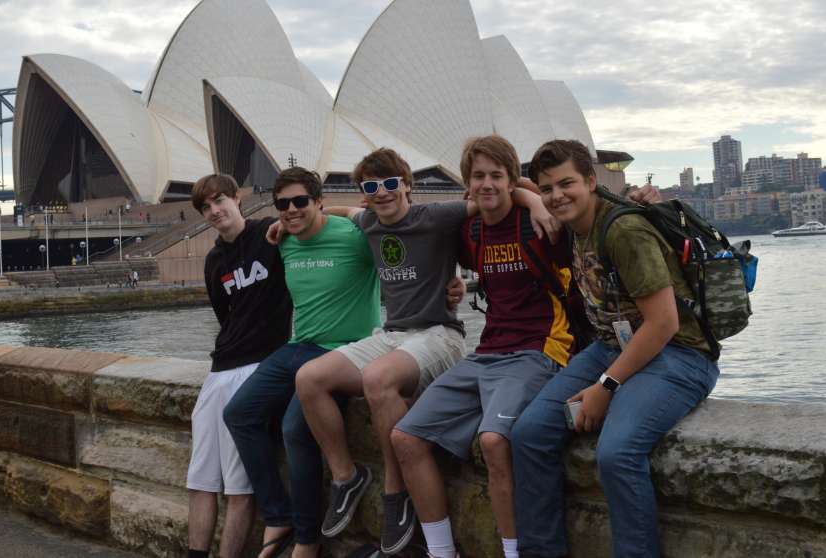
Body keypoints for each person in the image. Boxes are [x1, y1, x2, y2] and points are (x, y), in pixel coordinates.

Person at [291, 148, 556, 554]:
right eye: (372, 187)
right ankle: (347, 478)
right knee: (308, 378)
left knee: (378, 379)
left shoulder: (437, 216)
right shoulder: (369, 221)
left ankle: (395, 495)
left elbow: (492, 195)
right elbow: (346, 213)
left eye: (391, 184)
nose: (382, 193)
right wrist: (287, 223)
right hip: (393, 334)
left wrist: (534, 197)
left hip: (439, 334)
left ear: (408, 186)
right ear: (364, 193)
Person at [511, 140, 719, 558]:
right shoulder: (574, 222)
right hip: (613, 347)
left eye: (567, 183)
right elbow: (503, 182)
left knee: (617, 452)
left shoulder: (624, 230)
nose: (556, 196)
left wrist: (606, 386)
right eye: (547, 188)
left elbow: (664, 323)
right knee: (528, 434)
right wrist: (526, 195)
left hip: (678, 355)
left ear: (590, 181)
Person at [391, 136, 575, 558]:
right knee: (405, 437)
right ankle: (442, 552)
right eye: (479, 176)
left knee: (494, 441)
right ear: (467, 184)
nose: (488, 184)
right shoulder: (470, 231)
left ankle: (513, 553)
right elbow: (415, 228)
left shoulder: (538, 222)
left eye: (497, 175)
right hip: (487, 352)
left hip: (539, 350)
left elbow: (577, 213)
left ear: (512, 180)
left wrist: (533, 200)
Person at [223, 167, 382, 558]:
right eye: (283, 204)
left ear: (318, 201)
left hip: (343, 351)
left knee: (296, 427)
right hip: (298, 347)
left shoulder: (353, 237)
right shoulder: (283, 241)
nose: (291, 210)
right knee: (238, 414)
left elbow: (406, 255)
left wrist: (451, 285)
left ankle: (307, 542)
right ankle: (279, 517)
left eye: (300, 201)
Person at [185, 174, 294, 558]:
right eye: (206, 207)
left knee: (238, 487)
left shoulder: (271, 234)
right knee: (200, 480)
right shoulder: (215, 260)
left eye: (220, 201)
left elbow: (318, 225)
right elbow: (224, 314)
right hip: (219, 371)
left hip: (259, 368)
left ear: (237, 198)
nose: (215, 211)